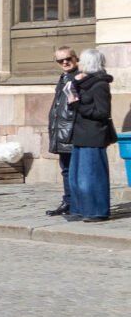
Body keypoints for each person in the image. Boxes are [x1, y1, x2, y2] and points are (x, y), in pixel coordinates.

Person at [48, 47, 115, 221]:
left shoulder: (100, 85)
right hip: (81, 134)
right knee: (78, 177)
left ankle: (97, 211)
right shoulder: (84, 81)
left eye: (83, 61)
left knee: (92, 177)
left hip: (93, 136)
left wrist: (77, 105)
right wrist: (75, 86)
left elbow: (102, 112)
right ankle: (80, 209)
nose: (80, 64)